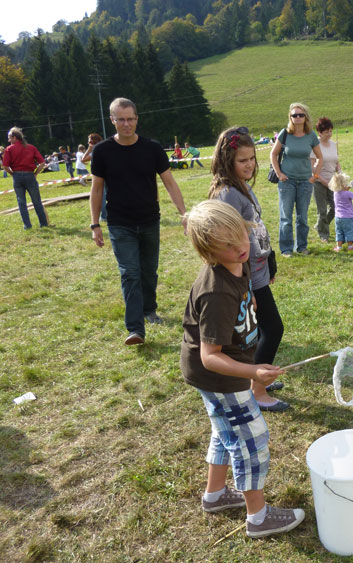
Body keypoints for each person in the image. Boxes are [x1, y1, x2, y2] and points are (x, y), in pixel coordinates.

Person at [181, 199, 304, 539]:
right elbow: (210, 356)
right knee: (251, 439)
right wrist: (252, 374)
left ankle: (216, 495)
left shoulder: (240, 263)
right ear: (209, 251)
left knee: (226, 432)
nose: (240, 248)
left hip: (230, 371)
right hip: (220, 376)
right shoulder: (216, 291)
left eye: (241, 237)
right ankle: (258, 516)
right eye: (228, 245)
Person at [90, 97, 188, 346]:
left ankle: (149, 308)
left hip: (149, 220)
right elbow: (97, 190)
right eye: (121, 119)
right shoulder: (102, 151)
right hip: (119, 222)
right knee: (130, 273)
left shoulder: (152, 148)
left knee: (148, 271)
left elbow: (169, 182)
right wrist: (95, 224)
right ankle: (136, 329)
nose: (126, 124)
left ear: (137, 119)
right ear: (112, 120)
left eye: (130, 119)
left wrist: (183, 213)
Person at [208, 126, 288, 413]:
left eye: (252, 158)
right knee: (272, 329)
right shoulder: (227, 194)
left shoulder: (242, 186)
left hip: (257, 270)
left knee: (259, 331)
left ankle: (258, 377)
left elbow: (256, 228)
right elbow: (228, 244)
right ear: (227, 160)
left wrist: (270, 258)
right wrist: (247, 287)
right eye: (243, 160)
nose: (250, 165)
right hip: (245, 277)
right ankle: (257, 388)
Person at [270, 102, 323, 257]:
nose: (298, 118)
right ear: (290, 118)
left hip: (306, 182)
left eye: (301, 115)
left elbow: (320, 157)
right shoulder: (285, 133)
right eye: (295, 115)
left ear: (305, 117)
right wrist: (279, 173)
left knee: (303, 217)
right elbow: (273, 154)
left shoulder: (311, 135)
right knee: (286, 217)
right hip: (287, 181)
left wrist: (315, 176)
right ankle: (286, 249)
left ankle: (302, 247)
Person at [2, 127, 49, 230]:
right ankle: (43, 224)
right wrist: (36, 173)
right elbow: (42, 163)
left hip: (17, 176)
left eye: (9, 138)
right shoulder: (31, 147)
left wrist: (12, 174)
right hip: (30, 175)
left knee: (21, 202)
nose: (9, 140)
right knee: (37, 201)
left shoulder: (9, 149)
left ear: (15, 137)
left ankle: (27, 226)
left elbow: (5, 166)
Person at [310, 117, 339, 243]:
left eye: (331, 131)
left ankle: (320, 225)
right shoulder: (315, 145)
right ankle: (324, 235)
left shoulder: (333, 145)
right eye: (326, 132)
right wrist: (320, 179)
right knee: (321, 210)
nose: (329, 134)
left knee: (335, 207)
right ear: (320, 133)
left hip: (332, 182)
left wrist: (340, 173)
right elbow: (311, 166)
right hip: (318, 182)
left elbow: (336, 162)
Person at [330, 172, 353, 252]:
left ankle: (339, 247)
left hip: (338, 217)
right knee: (349, 231)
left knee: (339, 232)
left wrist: (348, 187)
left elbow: (343, 191)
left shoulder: (335, 193)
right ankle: (350, 246)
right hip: (347, 217)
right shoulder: (347, 194)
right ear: (343, 184)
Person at [82, 133, 106, 221]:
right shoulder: (102, 147)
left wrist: (89, 149)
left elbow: (83, 159)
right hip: (103, 175)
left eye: (89, 141)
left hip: (101, 176)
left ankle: (104, 216)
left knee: (102, 196)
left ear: (93, 141)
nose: (88, 143)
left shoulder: (97, 150)